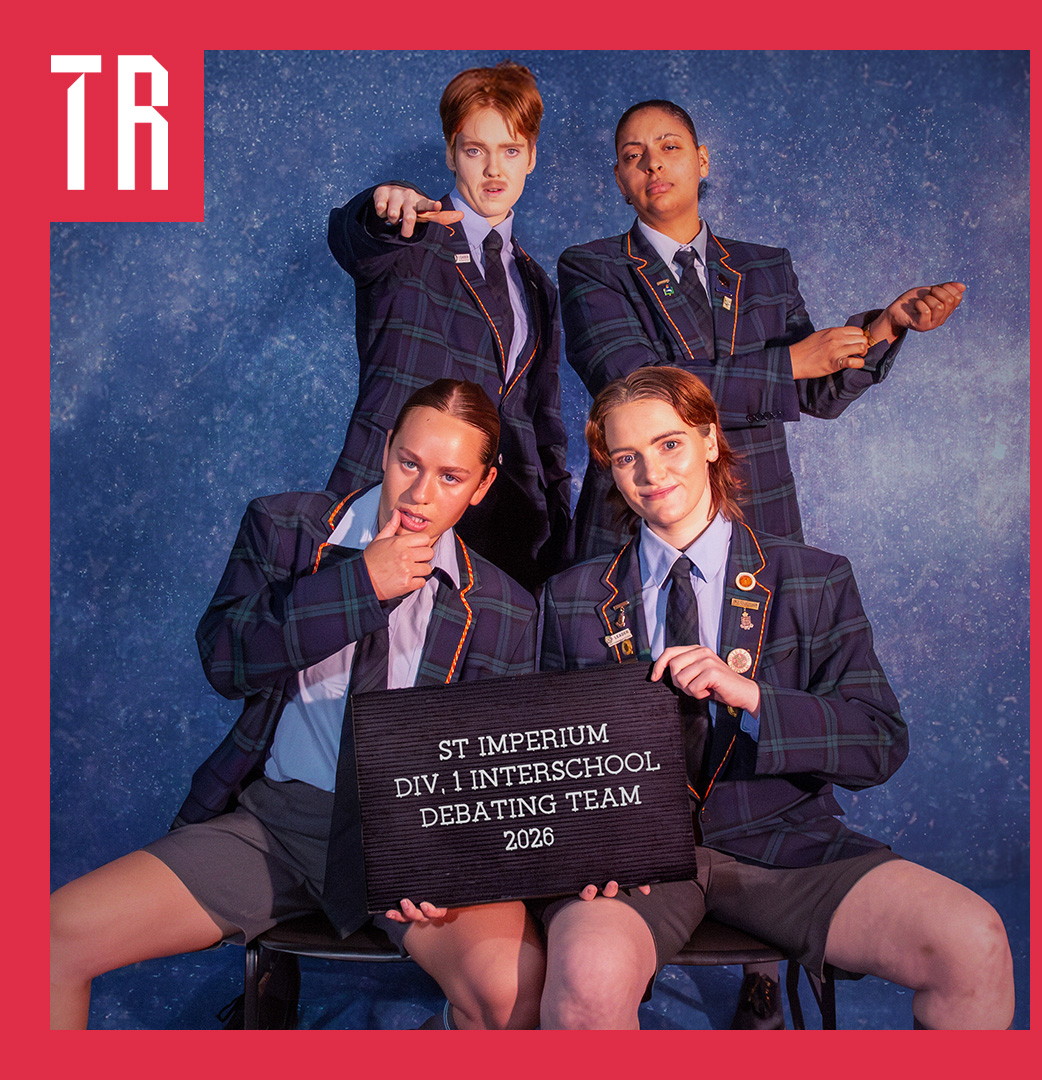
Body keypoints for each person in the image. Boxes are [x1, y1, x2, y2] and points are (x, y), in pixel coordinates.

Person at [50, 379, 544, 1030]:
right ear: (387, 447)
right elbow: (226, 662)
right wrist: (360, 584)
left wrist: (446, 855)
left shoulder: (505, 608)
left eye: (451, 477)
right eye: (409, 464)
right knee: (51, 938)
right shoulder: (285, 529)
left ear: (482, 487)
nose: (421, 494)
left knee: (509, 990)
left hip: (406, 839)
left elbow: (492, 768)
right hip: (275, 826)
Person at [538, 366, 1013, 1030]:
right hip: (635, 865)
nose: (651, 472)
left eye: (669, 443)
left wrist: (755, 698)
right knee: (586, 982)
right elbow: (546, 758)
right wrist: (581, 848)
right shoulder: (571, 597)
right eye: (627, 457)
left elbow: (877, 741)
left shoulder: (813, 578)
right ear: (609, 470)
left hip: (785, 845)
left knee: (975, 942)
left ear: (709, 440)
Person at [559, 98, 966, 562]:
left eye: (670, 146)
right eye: (634, 156)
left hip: (757, 510)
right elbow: (637, 386)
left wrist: (887, 326)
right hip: (638, 517)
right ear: (620, 180)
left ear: (702, 160)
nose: (653, 162)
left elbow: (817, 394)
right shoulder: (592, 266)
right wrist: (791, 362)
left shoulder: (766, 265)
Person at [326, 61, 570, 592]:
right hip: (398, 500)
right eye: (474, 150)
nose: (493, 171)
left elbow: (541, 419)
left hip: (507, 529)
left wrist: (557, 519)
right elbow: (358, 239)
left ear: (531, 157)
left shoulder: (538, 284)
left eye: (509, 151)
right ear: (450, 153)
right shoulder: (412, 234)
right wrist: (383, 206)